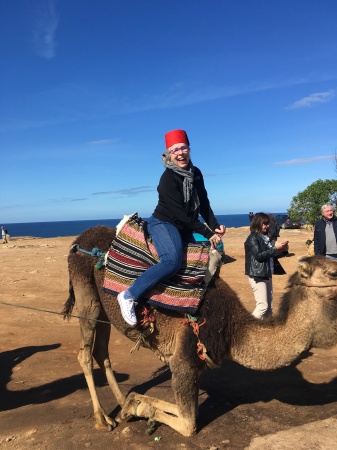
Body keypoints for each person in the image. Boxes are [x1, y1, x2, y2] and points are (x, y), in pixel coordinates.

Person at [117, 129, 226, 326]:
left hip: (184, 226)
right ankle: (129, 295)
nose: (180, 153)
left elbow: (203, 202)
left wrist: (215, 226)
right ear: (169, 154)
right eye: (175, 150)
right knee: (171, 261)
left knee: (206, 257)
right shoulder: (167, 179)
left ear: (189, 150)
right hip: (164, 223)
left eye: (183, 148)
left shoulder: (196, 174)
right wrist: (206, 232)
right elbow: (180, 214)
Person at [244, 212, 288, 319]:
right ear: (258, 223)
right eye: (265, 223)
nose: (267, 226)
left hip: (267, 273)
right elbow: (259, 256)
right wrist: (275, 249)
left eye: (267, 223)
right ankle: (250, 327)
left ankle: (268, 330)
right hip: (258, 275)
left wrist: (282, 250)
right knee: (262, 306)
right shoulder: (252, 238)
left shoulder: (264, 237)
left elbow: (271, 254)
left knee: (269, 308)